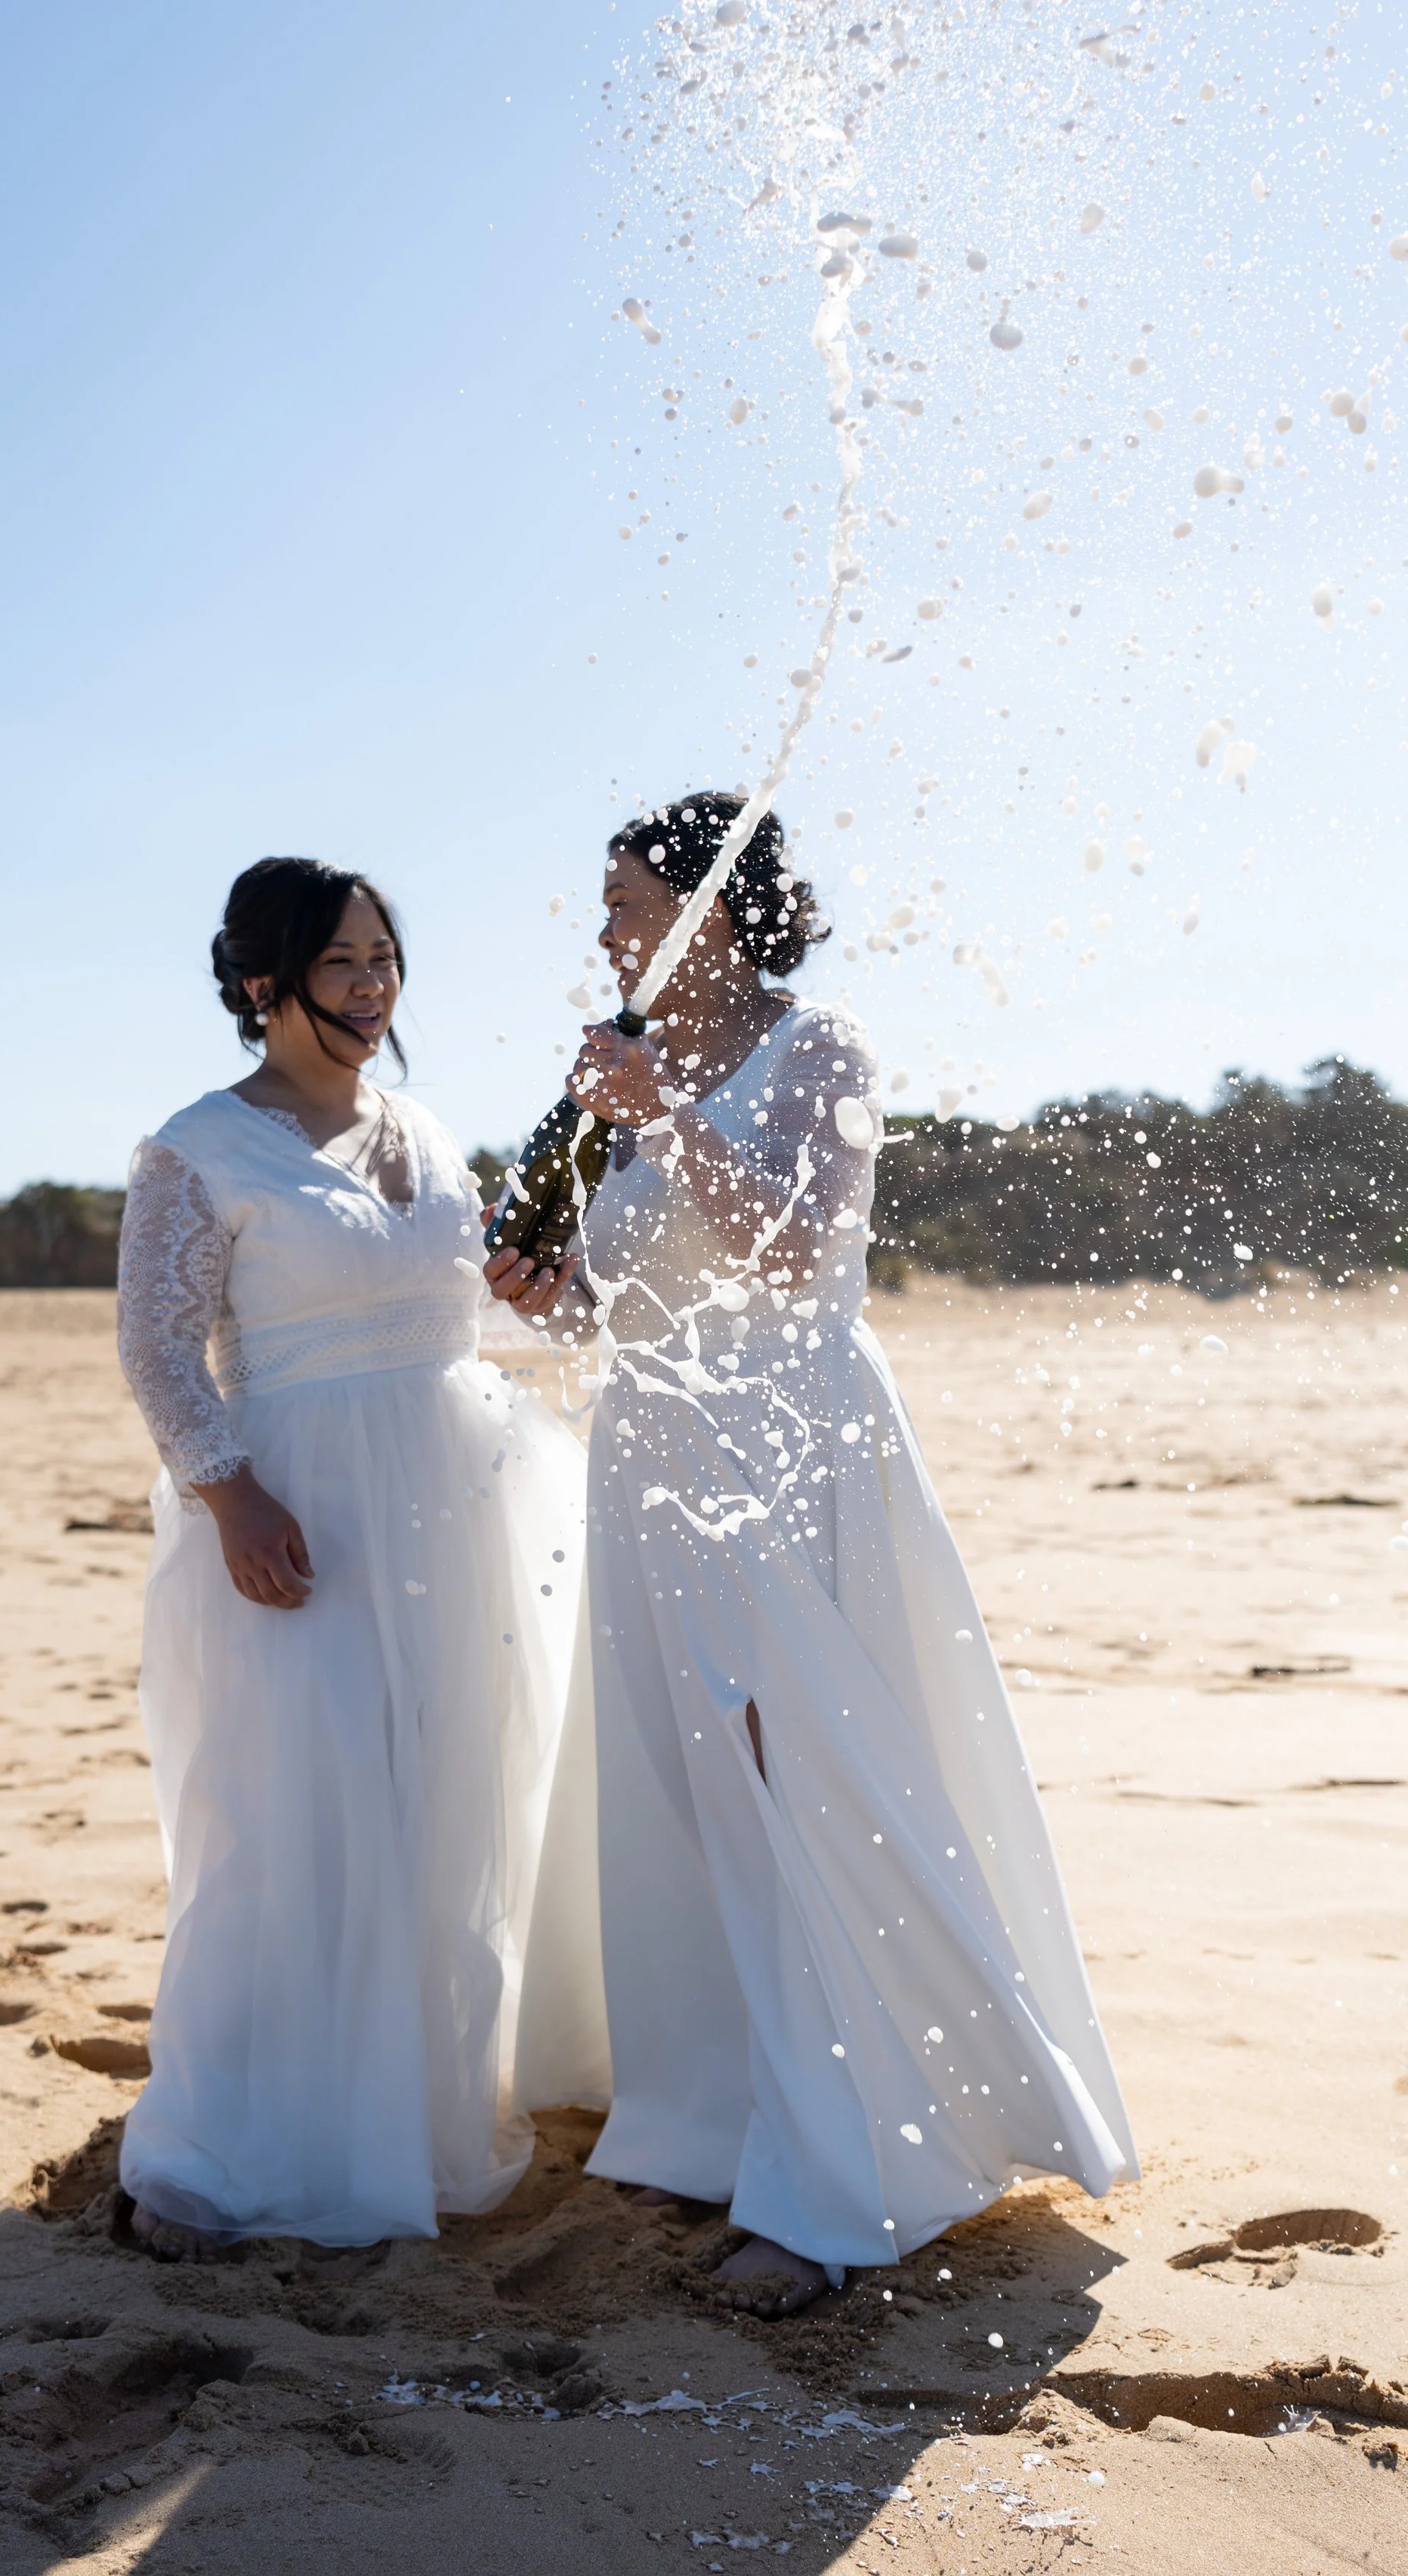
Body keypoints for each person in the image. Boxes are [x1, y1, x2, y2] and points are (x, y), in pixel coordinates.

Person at [492, 793, 1136, 2316]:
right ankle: (710, 2114)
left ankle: (845, 2172)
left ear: (710, 908)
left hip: (777, 1447)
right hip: (646, 1453)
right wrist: (541, 1287)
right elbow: (616, 1298)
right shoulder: (626, 1076)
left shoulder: (819, 1044)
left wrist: (655, 1114)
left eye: (626, 899)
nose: (606, 931)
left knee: (793, 1783)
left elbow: (792, 1249)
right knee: (678, 1781)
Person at [115, 856, 589, 2257]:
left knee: (443, 1807)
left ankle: (411, 2120)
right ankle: (220, 2151)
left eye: (386, 958)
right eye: (342, 963)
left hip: (457, 1503)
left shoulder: (427, 1131)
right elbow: (156, 1345)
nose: (374, 986)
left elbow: (471, 1299)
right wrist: (230, 1495)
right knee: (288, 1819)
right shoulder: (199, 1147)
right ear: (265, 980)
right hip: (297, 1509)